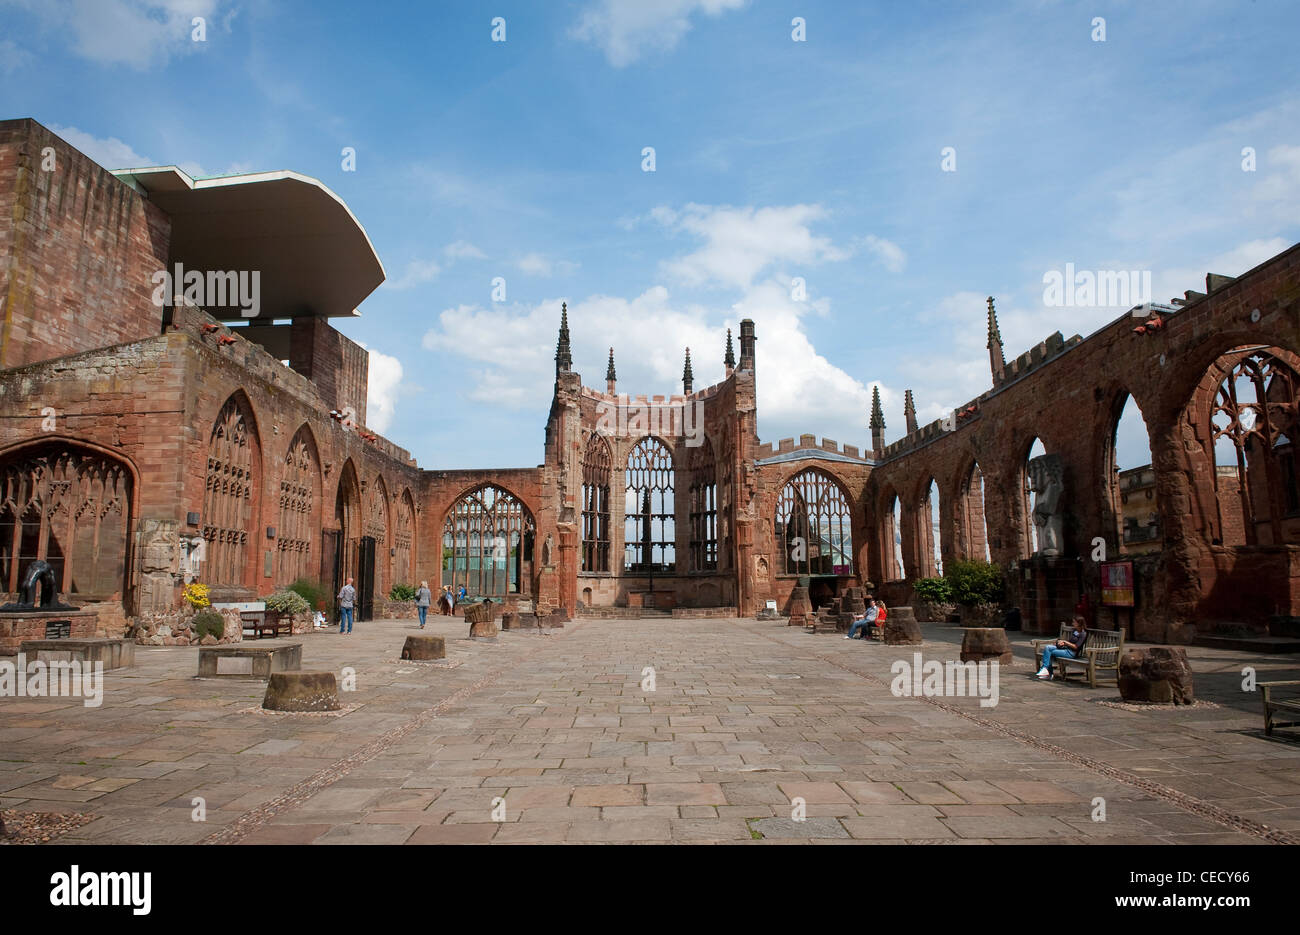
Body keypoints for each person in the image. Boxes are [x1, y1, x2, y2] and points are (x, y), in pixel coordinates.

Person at [1037, 615, 1088, 679]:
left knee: (1049, 652)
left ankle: (1047, 672)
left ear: (1079, 623)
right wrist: (1061, 643)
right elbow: (1070, 642)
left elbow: (1076, 647)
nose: (1072, 623)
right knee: (1047, 647)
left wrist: (1065, 642)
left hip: (1071, 653)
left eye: (1074, 622)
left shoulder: (1083, 634)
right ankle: (1045, 670)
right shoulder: (1075, 631)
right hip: (1066, 649)